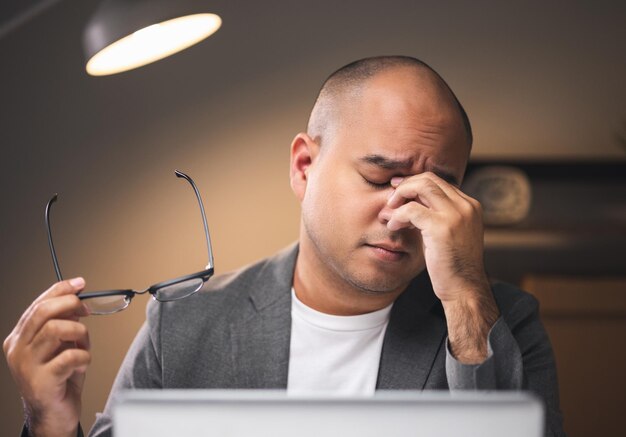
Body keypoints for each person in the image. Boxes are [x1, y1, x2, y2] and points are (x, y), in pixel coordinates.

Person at [4, 56, 565, 437]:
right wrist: (50, 422)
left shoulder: (505, 323)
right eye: (378, 179)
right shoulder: (182, 324)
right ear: (304, 166)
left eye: (437, 190)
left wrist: (466, 296)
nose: (404, 216)